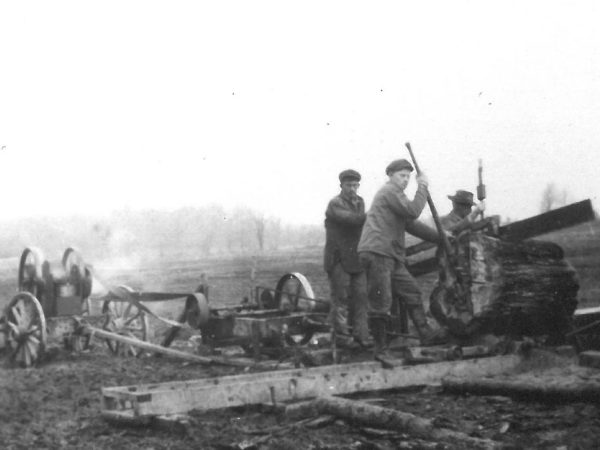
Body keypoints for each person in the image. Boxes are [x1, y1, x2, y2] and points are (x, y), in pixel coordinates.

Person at [357, 159, 447, 354]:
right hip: (378, 252)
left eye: (408, 176)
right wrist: (422, 186)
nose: (405, 180)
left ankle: (425, 334)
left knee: (411, 291)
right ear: (390, 176)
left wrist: (441, 237)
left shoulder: (397, 198)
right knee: (381, 301)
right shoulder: (390, 191)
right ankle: (380, 349)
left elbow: (411, 224)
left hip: (390, 255)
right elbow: (413, 211)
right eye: (401, 176)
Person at [324, 169, 371, 348]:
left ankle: (362, 336)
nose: (352, 189)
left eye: (355, 185)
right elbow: (352, 220)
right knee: (340, 299)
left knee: (361, 297)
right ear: (341, 186)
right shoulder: (335, 204)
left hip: (356, 258)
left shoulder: (360, 202)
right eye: (348, 185)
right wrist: (375, 214)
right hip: (339, 259)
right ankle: (342, 338)